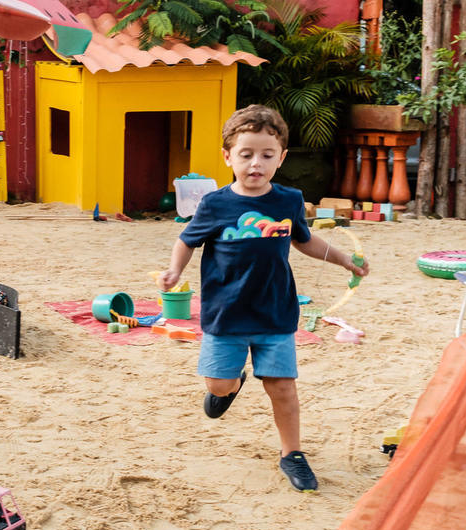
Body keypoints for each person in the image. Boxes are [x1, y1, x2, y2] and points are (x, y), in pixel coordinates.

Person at [158, 105, 369, 493]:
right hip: (226, 313)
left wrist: (342, 259)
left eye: (267, 155)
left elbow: (304, 240)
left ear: (281, 157)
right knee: (217, 386)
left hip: (275, 311)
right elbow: (186, 241)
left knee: (282, 388)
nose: (256, 163)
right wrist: (174, 271)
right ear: (228, 157)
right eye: (246, 154)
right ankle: (232, 384)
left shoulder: (289, 200)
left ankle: (292, 454)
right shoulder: (216, 204)